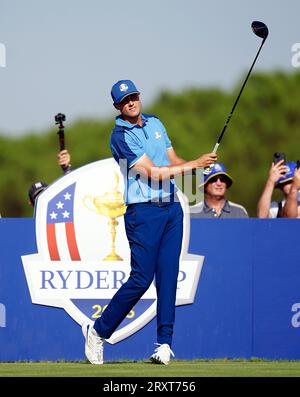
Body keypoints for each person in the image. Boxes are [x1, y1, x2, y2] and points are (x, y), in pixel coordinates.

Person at [82, 79, 217, 365]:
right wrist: (193, 163)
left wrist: (197, 168)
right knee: (142, 278)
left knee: (168, 278)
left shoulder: (156, 123)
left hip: (171, 208)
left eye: (133, 96)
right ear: (117, 106)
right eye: (124, 100)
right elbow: (152, 173)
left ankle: (164, 345)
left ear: (139, 97)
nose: (130, 102)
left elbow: (173, 159)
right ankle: (98, 331)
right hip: (143, 212)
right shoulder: (120, 136)